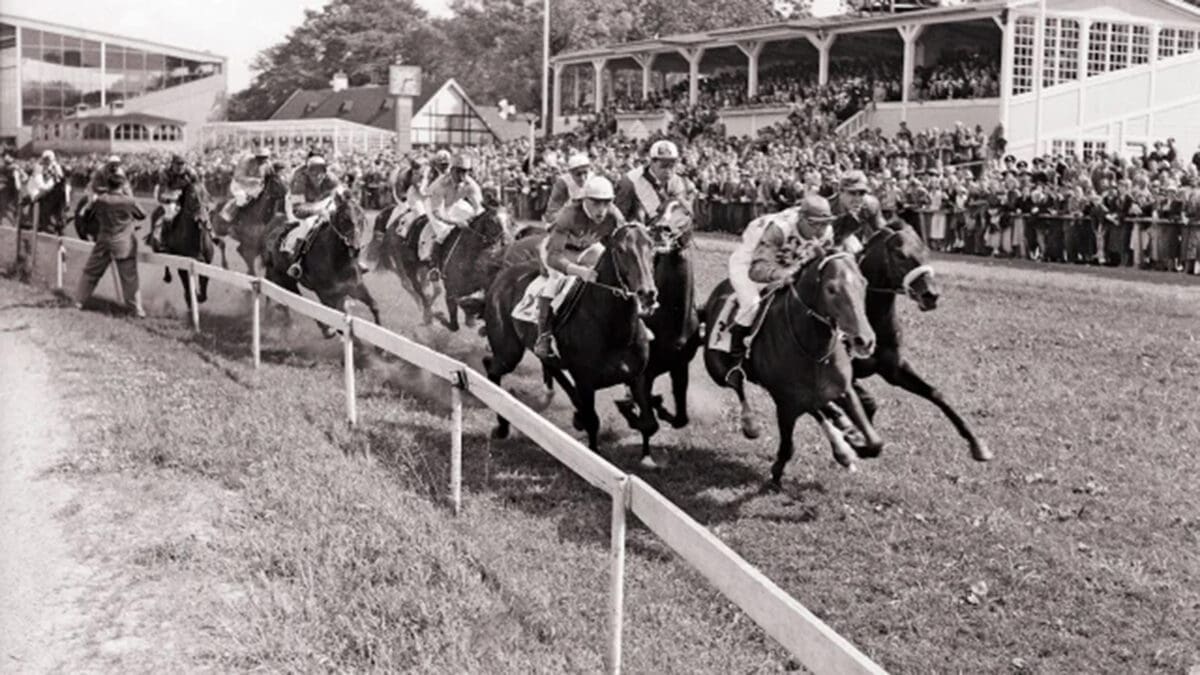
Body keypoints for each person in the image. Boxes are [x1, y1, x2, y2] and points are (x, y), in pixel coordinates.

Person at [725, 195, 837, 385]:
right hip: (749, 262)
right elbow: (757, 269)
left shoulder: (827, 232)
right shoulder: (779, 229)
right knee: (751, 305)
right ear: (801, 218)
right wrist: (780, 275)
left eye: (824, 224)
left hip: (787, 265)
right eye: (814, 224)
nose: (820, 230)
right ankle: (736, 362)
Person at [534, 175, 647, 360]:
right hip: (560, 252)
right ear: (584, 199)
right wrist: (579, 271)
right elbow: (554, 257)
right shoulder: (568, 215)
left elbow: (626, 238)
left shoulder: (613, 213)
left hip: (587, 248)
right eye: (595, 203)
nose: (601, 210)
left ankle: (635, 321)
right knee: (555, 283)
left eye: (606, 203)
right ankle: (544, 335)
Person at [75, 167, 147, 317]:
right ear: (122, 185)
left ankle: (78, 301)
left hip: (104, 242)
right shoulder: (128, 201)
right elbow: (142, 215)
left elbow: (89, 211)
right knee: (129, 279)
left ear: (108, 185)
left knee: (90, 273)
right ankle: (136, 310)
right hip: (124, 245)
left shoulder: (101, 200)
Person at [281, 153, 340, 279]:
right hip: (299, 204)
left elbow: (339, 195)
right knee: (308, 224)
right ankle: (297, 261)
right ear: (308, 172)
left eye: (321, 172)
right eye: (314, 173)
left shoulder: (331, 178)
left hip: (321, 202)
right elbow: (299, 208)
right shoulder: (299, 178)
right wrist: (317, 212)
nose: (318, 176)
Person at [423, 153, 484, 263]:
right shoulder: (440, 185)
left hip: (454, 202)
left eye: (465, 172)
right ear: (452, 170)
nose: (462, 176)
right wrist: (456, 222)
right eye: (458, 171)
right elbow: (438, 213)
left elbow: (479, 207)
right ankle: (435, 266)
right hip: (433, 204)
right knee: (444, 231)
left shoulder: (471, 185)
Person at [614, 139, 691, 223]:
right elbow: (620, 216)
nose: (668, 170)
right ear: (652, 163)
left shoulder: (676, 181)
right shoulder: (630, 181)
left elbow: (683, 211)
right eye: (664, 165)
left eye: (672, 165)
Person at [151, 153, 204, 247]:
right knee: (170, 211)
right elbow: (161, 194)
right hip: (168, 192)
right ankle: (162, 237)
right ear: (172, 164)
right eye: (177, 164)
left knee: (201, 209)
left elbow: (198, 187)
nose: (180, 167)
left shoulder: (191, 172)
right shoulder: (165, 173)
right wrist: (169, 200)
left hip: (184, 191)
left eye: (182, 164)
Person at [830, 170, 887, 253]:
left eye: (862, 193)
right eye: (852, 193)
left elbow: (882, 232)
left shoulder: (871, 204)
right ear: (840, 191)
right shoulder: (828, 208)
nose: (857, 199)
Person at [220, 146, 273, 222]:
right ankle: (230, 216)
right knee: (241, 198)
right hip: (240, 186)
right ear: (256, 157)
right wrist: (254, 180)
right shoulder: (246, 162)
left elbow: (271, 175)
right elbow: (239, 177)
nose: (263, 160)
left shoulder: (267, 163)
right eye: (261, 158)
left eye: (265, 157)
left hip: (257, 187)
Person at [544, 152, 592, 220]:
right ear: (571, 173)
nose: (582, 178)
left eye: (585, 173)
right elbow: (552, 213)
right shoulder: (563, 183)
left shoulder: (594, 180)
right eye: (578, 174)